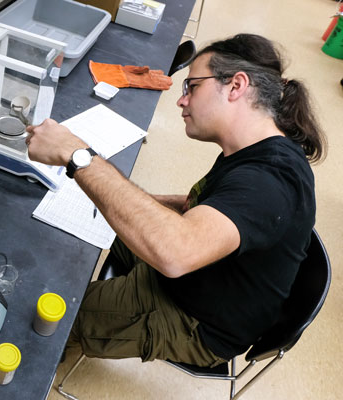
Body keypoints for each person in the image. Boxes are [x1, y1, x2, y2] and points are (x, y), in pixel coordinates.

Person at [25, 34, 326, 367]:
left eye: (192, 87)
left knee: (47, 314)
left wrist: (75, 153)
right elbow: (204, 206)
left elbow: (175, 254)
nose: (182, 101)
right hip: (201, 276)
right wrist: (133, 200)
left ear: (236, 86)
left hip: (197, 320)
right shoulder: (256, 148)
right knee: (99, 220)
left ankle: (46, 356)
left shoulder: (269, 182)